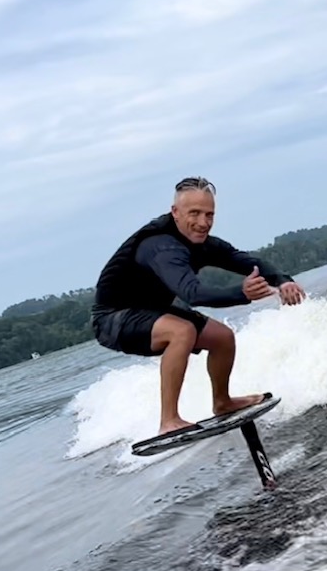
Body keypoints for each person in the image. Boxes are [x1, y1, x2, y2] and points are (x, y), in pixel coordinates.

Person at [91, 177, 306, 437]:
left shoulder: (202, 243)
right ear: (176, 213)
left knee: (222, 338)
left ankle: (222, 402)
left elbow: (249, 261)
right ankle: (168, 421)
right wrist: (242, 293)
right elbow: (192, 293)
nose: (203, 223)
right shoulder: (161, 246)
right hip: (114, 320)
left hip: (152, 310)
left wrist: (283, 282)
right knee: (181, 331)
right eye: (194, 213)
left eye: (209, 214)